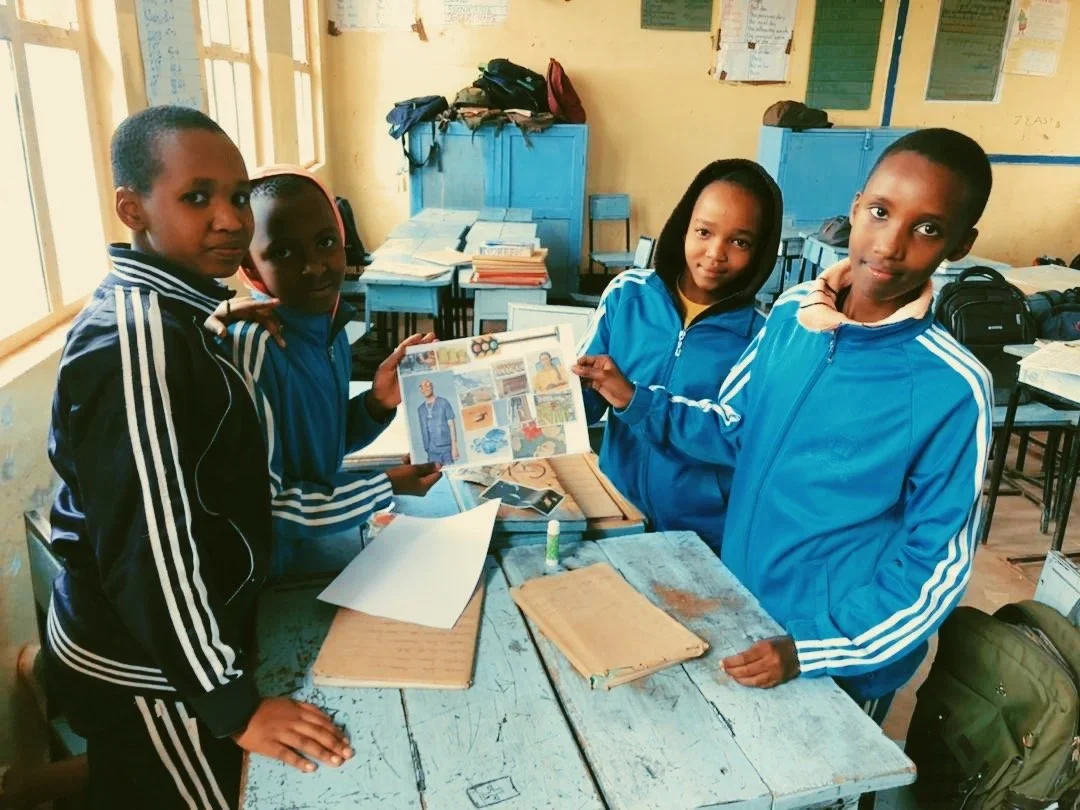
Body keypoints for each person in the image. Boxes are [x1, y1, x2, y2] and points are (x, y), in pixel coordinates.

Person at [576, 128, 994, 722]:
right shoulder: (796, 315)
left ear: (959, 242)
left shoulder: (952, 385)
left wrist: (812, 648)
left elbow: (938, 564)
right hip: (745, 607)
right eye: (879, 212)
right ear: (855, 209)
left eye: (927, 228)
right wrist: (636, 401)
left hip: (837, 652)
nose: (891, 244)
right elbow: (733, 429)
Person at [44, 106, 351, 808]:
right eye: (196, 198)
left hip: (176, 648)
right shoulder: (139, 344)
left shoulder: (181, 315)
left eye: (238, 196)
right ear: (133, 208)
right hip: (148, 670)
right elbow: (149, 549)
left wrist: (217, 316)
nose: (229, 219)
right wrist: (233, 706)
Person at [223, 166, 441, 578]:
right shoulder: (254, 346)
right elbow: (265, 509)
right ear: (250, 267)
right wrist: (385, 485)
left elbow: (318, 448)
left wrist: (377, 404)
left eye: (326, 243)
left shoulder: (328, 324)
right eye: (283, 253)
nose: (314, 267)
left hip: (312, 548)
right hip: (265, 574)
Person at [573, 159, 782, 550]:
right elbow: (581, 395)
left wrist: (636, 401)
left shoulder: (761, 335)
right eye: (704, 231)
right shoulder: (627, 294)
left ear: (760, 252)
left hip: (699, 534)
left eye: (740, 242)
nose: (715, 253)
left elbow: (731, 435)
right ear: (683, 226)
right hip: (617, 512)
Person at [417, 378, 459, 464]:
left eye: (427, 385)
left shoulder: (443, 402)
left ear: (432, 386)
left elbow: (451, 425)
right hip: (431, 450)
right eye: (422, 387)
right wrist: (427, 449)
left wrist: (454, 447)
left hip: (446, 448)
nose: (425, 388)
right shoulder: (420, 409)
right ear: (420, 390)